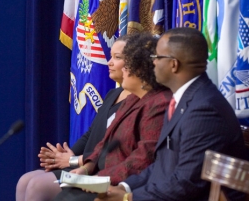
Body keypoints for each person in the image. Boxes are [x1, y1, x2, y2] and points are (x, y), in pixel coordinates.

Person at [99, 27, 247, 201]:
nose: (152, 63)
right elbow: (162, 166)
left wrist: (129, 198)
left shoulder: (204, 110)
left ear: (173, 64)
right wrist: (125, 187)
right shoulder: (184, 99)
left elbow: (186, 185)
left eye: (157, 57)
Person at [53, 32, 172, 201]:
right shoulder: (131, 98)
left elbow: (143, 158)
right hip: (100, 176)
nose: (121, 70)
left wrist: (98, 179)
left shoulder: (159, 104)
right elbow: (104, 142)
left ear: (140, 69)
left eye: (126, 65)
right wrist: (85, 169)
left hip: (120, 185)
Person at [16, 35, 132, 200]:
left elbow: (119, 147)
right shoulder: (113, 94)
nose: (109, 62)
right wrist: (64, 156)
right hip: (86, 163)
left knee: (37, 186)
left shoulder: (139, 103)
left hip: (103, 170)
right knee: (25, 180)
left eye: (117, 57)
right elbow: (91, 134)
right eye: (111, 56)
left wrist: (72, 160)